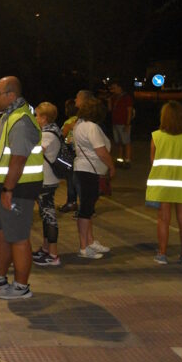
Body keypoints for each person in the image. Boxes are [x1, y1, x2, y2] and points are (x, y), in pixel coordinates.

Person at [0, 77, 43, 300]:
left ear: (11, 95)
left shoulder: (21, 120)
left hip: (17, 189)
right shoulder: (8, 116)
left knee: (18, 236)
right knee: (2, 233)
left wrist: (8, 189)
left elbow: (19, 158)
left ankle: (22, 286)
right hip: (2, 187)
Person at [146, 101, 182, 265]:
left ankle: (162, 254)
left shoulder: (156, 136)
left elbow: (153, 160)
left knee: (164, 219)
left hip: (163, 183)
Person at [73, 97, 114, 259]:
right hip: (88, 170)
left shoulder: (79, 125)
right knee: (85, 209)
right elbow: (101, 151)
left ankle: (89, 242)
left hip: (83, 169)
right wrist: (111, 166)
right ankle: (84, 247)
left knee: (88, 208)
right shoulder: (92, 127)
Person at [32, 102, 62, 267]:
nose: (35, 118)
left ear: (44, 118)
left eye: (37, 115)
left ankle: (53, 254)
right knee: (45, 215)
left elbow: (36, 153)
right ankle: (45, 249)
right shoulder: (51, 130)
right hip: (47, 179)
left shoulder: (48, 135)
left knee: (49, 216)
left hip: (46, 180)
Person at [59, 99, 79, 213]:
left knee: (71, 179)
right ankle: (74, 202)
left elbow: (61, 137)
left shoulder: (68, 123)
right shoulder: (79, 121)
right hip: (79, 152)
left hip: (70, 153)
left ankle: (71, 202)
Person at [109, 81, 134, 168]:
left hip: (123, 123)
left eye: (114, 87)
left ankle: (127, 160)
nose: (113, 89)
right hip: (115, 123)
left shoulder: (126, 97)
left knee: (126, 142)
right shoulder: (114, 97)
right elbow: (110, 109)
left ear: (120, 87)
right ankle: (120, 159)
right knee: (119, 142)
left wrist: (128, 123)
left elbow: (129, 110)